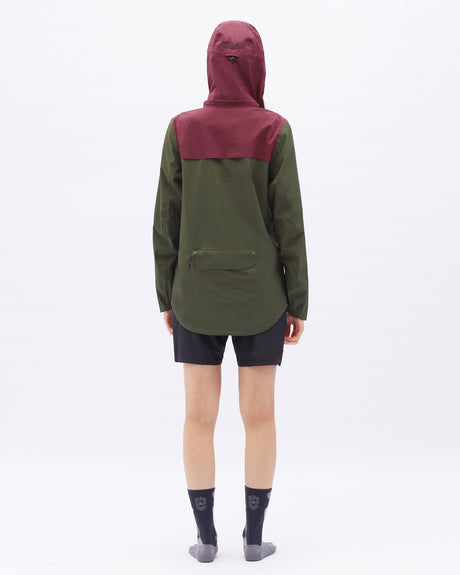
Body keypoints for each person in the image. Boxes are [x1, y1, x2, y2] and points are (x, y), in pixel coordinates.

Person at [152, 20, 309, 563]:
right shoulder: (275, 130)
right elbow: (289, 223)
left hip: (195, 293)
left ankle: (205, 538)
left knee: (199, 416)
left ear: (211, 65)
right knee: (259, 416)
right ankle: (255, 538)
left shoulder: (181, 129)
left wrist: (167, 295)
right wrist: (298, 301)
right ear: (258, 65)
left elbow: (165, 221)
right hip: (261, 296)